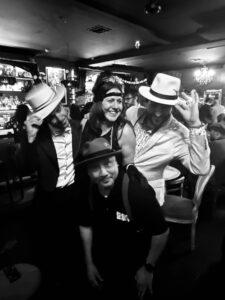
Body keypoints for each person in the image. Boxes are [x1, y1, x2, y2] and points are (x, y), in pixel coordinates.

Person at [77, 137, 169, 300]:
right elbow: (85, 226)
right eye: (95, 168)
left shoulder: (136, 192)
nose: (103, 172)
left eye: (108, 164)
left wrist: (148, 268)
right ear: (88, 172)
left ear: (117, 163)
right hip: (107, 263)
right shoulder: (88, 192)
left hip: (136, 265)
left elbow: (161, 232)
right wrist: (89, 263)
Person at [17, 83, 84, 299]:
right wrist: (29, 139)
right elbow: (26, 168)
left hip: (73, 194)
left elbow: (82, 158)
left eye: (61, 107)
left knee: (74, 244)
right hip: (49, 199)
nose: (61, 114)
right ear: (45, 117)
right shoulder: (38, 136)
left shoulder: (76, 127)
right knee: (51, 249)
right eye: (53, 113)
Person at [126, 73, 210, 205]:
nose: (158, 112)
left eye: (165, 107)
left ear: (172, 107)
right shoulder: (132, 113)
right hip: (121, 190)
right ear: (147, 101)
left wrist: (195, 125)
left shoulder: (180, 133)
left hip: (148, 198)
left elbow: (200, 169)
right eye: (154, 104)